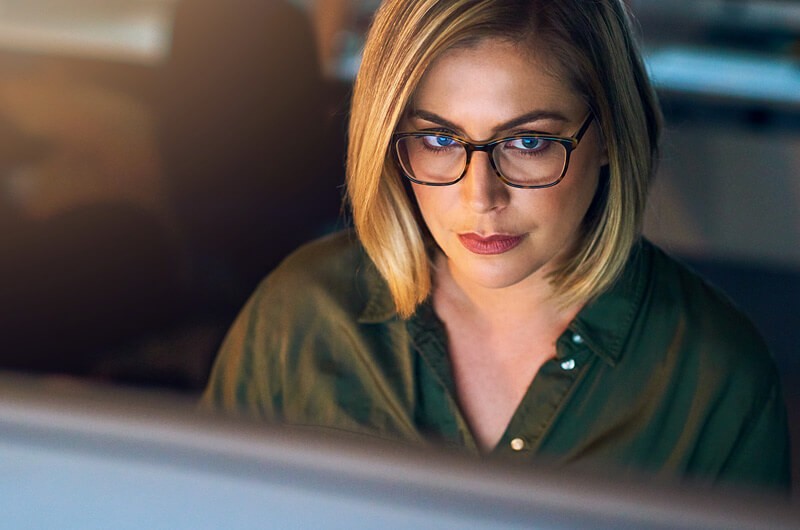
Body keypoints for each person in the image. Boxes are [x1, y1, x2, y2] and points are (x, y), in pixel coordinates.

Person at [202, 0, 790, 491]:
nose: (481, 196)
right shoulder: (299, 317)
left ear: (611, 134)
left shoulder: (716, 378)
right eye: (439, 139)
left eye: (528, 142)